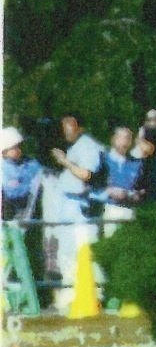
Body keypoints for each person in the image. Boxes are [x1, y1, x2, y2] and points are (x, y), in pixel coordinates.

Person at [47, 114, 104, 310]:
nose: (65, 131)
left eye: (69, 126)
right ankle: (70, 295)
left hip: (80, 207)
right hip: (67, 207)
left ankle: (93, 295)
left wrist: (64, 161)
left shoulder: (88, 146)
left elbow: (86, 174)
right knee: (67, 252)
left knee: (84, 251)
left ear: (78, 126)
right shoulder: (74, 146)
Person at [93, 126, 146, 237]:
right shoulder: (102, 160)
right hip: (109, 209)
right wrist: (108, 192)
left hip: (129, 209)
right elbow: (91, 186)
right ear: (113, 139)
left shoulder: (136, 164)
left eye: (128, 138)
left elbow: (142, 188)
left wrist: (134, 195)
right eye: (121, 137)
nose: (124, 142)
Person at [1, 127, 43, 220]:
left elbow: (41, 177)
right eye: (14, 147)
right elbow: (12, 192)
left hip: (32, 209)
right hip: (11, 212)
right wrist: (30, 186)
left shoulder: (31, 164)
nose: (19, 149)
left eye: (20, 146)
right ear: (4, 152)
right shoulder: (4, 167)